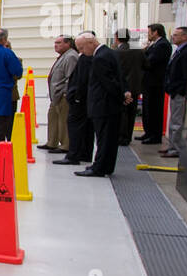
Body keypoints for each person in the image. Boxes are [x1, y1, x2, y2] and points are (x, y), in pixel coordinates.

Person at [74, 32, 133, 177]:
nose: (81, 52)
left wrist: (121, 97)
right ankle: (103, 165)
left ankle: (99, 168)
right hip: (109, 105)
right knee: (108, 139)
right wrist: (124, 93)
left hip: (104, 106)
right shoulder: (109, 53)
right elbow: (119, 77)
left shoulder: (100, 58)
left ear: (91, 43)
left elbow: (108, 83)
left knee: (104, 139)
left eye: (82, 48)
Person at [55, 32, 94, 166]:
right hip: (80, 98)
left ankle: (74, 154)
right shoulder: (83, 57)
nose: (80, 50)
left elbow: (78, 79)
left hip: (78, 99)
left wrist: (73, 96)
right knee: (84, 128)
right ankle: (83, 153)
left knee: (75, 126)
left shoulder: (79, 58)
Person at [38, 34, 78, 152]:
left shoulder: (71, 57)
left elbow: (71, 78)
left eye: (59, 43)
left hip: (62, 95)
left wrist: (64, 93)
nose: (55, 45)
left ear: (68, 44)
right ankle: (52, 141)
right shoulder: (63, 56)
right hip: (56, 96)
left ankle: (65, 145)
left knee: (63, 120)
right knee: (53, 118)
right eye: (55, 43)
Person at [160, 25, 187, 157]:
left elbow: (185, 75)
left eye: (176, 35)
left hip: (179, 92)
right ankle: (172, 145)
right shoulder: (179, 50)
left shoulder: (186, 52)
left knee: (177, 122)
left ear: (185, 36)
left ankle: (176, 148)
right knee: (173, 120)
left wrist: (178, 89)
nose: (173, 37)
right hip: (174, 91)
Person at [140, 22, 171, 144]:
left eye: (149, 33)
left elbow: (150, 61)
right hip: (150, 82)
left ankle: (154, 135)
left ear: (155, 32)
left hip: (156, 83)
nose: (148, 35)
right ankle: (149, 132)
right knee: (148, 109)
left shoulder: (162, 45)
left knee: (154, 109)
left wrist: (143, 56)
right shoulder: (154, 45)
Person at [114, 30, 143, 146]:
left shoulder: (116, 52)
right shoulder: (138, 51)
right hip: (135, 86)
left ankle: (122, 136)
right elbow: (147, 65)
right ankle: (128, 136)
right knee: (131, 112)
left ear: (117, 38)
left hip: (122, 86)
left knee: (122, 112)